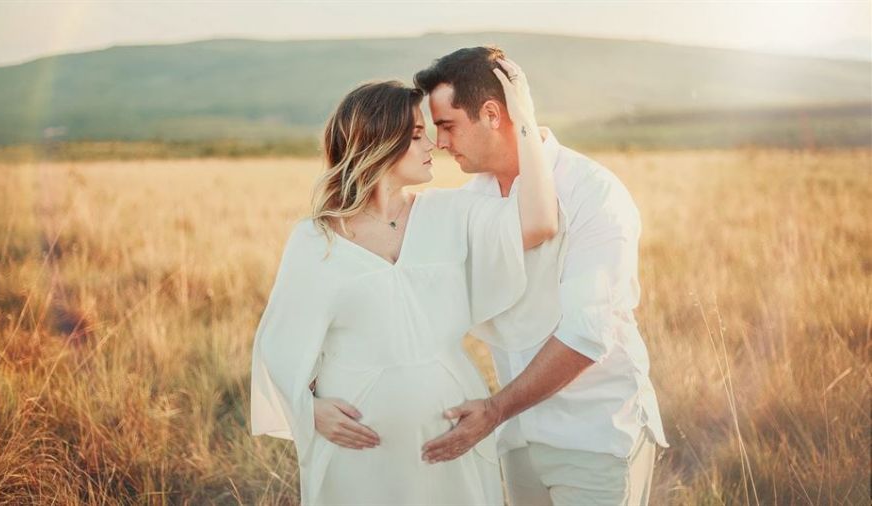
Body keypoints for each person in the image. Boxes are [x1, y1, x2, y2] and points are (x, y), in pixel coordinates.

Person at [250, 61, 566, 504]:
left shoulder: (449, 213)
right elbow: (278, 345)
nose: (433, 145)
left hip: (450, 434)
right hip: (358, 450)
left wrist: (525, 116)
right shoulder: (314, 239)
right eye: (417, 134)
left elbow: (538, 222)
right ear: (378, 143)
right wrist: (308, 409)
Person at [411, 47, 670, 505]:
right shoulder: (474, 199)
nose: (440, 143)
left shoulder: (594, 192)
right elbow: (417, 295)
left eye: (448, 125)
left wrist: (493, 410)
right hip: (516, 441)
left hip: (595, 437)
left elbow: (587, 335)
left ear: (492, 113)